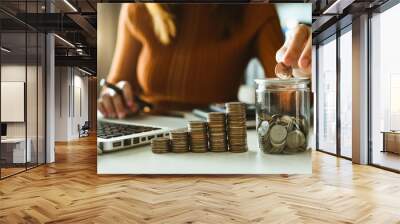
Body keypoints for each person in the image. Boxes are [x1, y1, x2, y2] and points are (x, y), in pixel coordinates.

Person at [98, 3, 311, 119]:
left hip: (217, 134)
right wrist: (113, 95)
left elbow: (284, 94)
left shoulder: (257, 9)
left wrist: (303, 70)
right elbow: (117, 83)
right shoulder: (138, 8)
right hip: (146, 127)